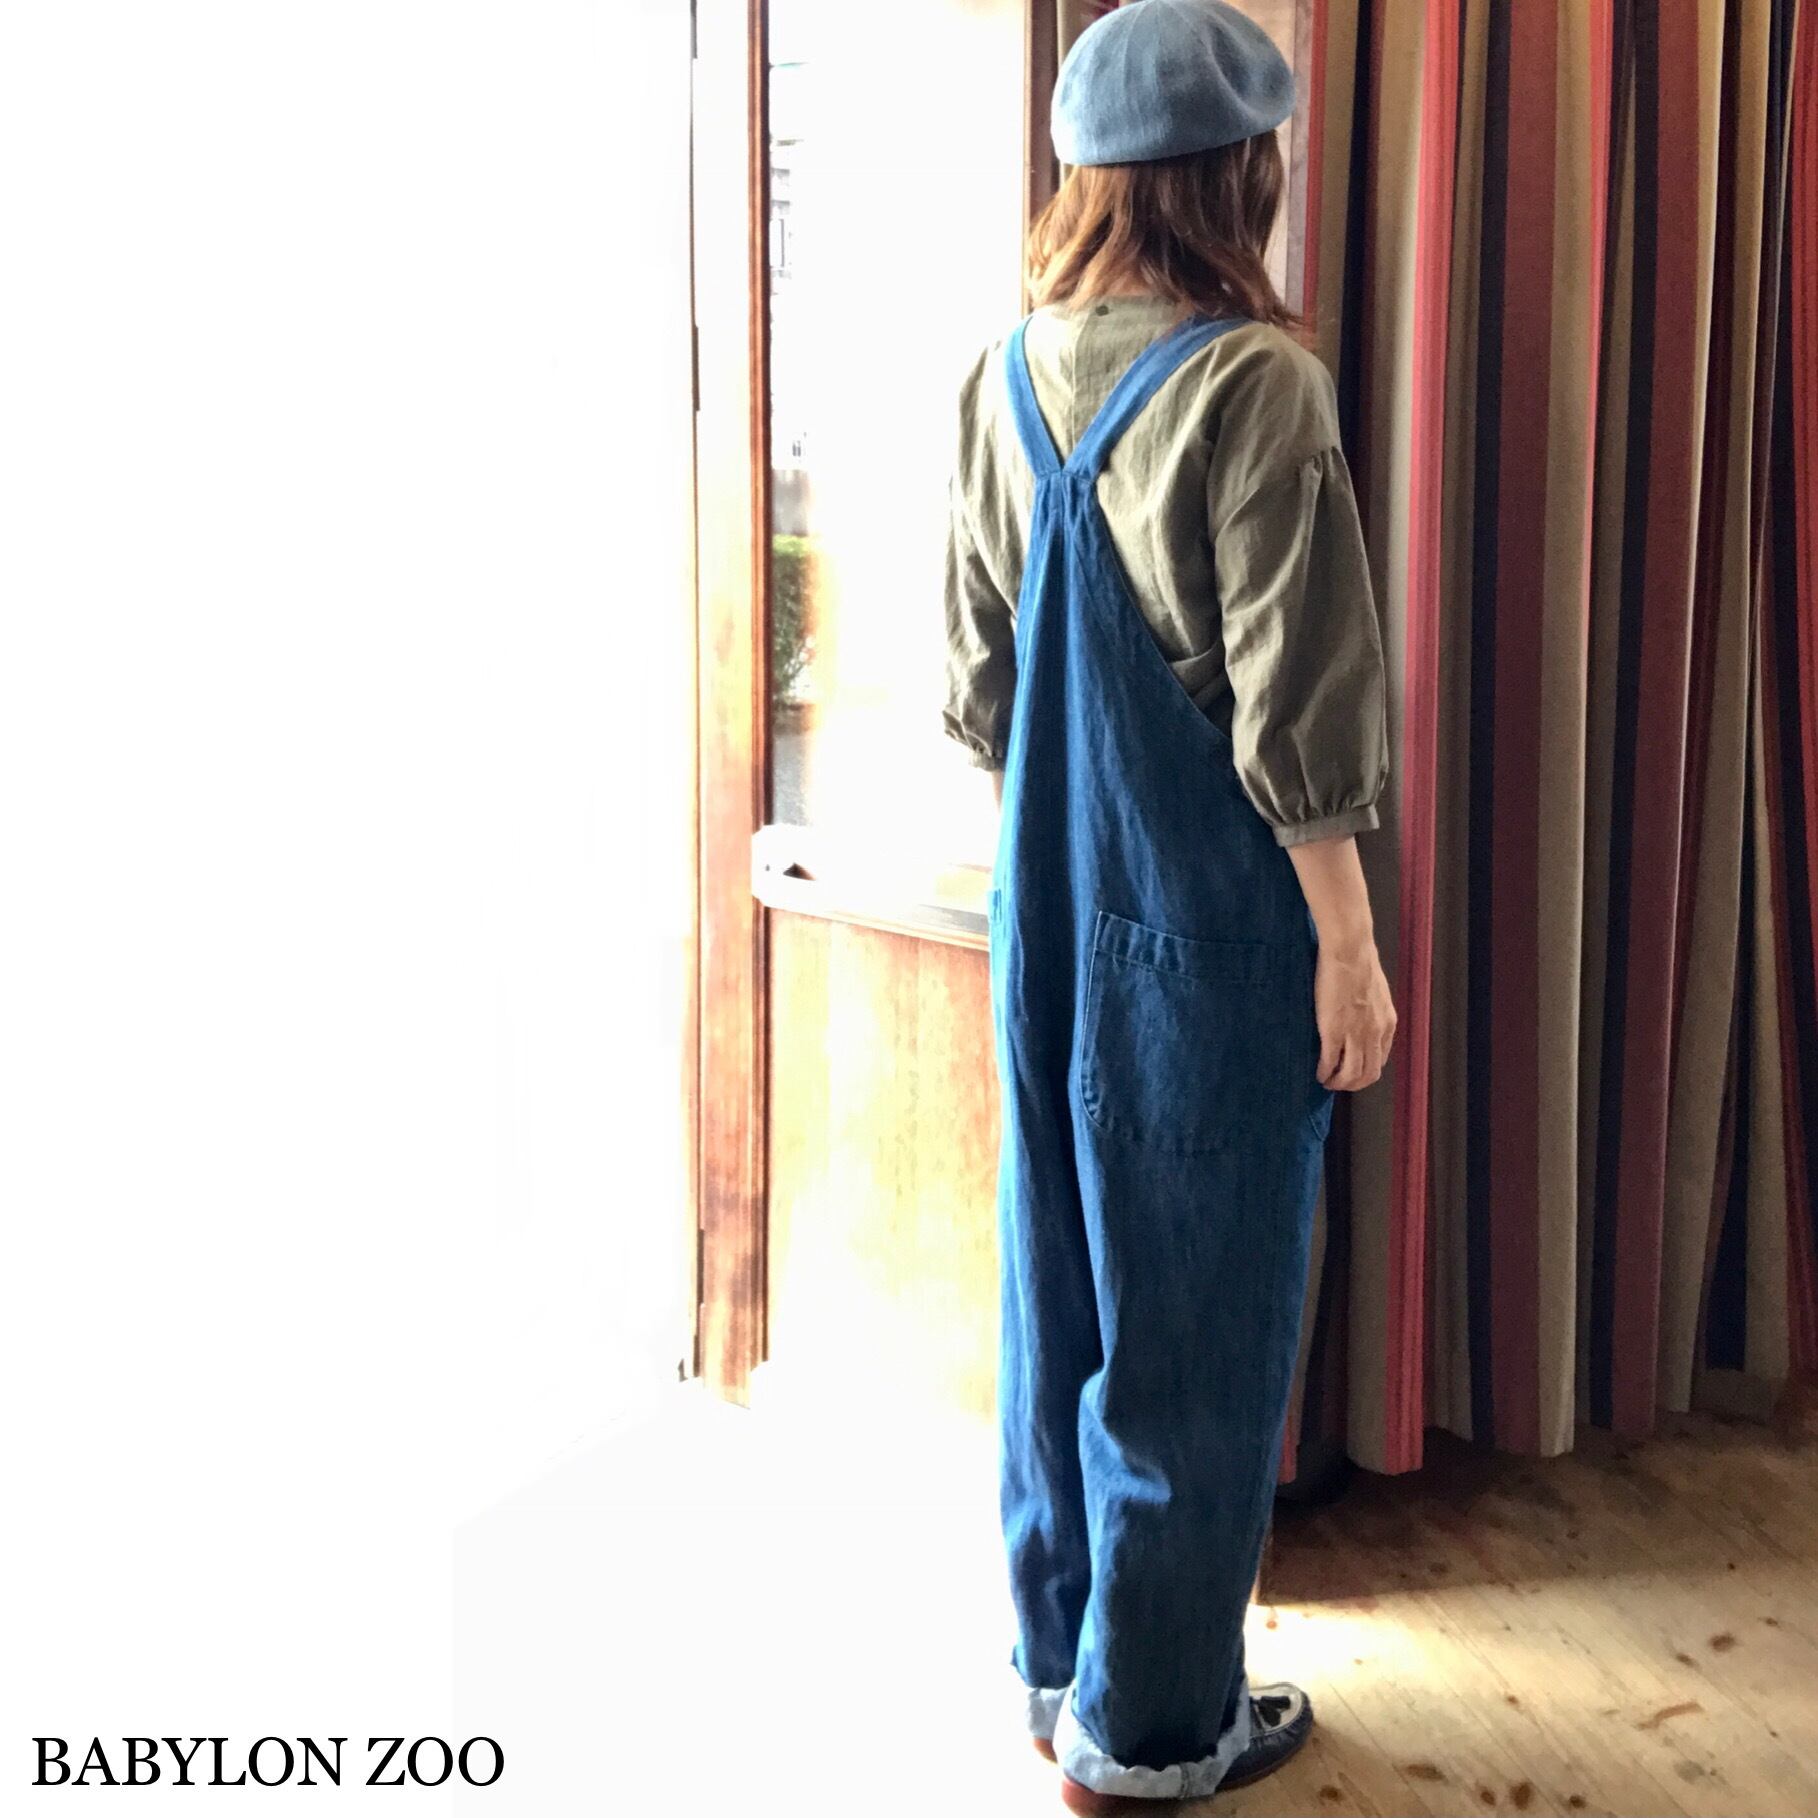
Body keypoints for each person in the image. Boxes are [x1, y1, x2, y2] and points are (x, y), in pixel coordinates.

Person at [940, 1, 1397, 1810]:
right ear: (1237, 172)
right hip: (1202, 933)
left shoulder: (999, 375)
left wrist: (1065, 847)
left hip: (1041, 919)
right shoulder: (1253, 384)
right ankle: (1150, 1732)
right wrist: (1346, 949)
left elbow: (981, 694)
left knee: (1054, 1287)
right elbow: (1300, 709)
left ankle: (1061, 1667)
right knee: (1193, 1322)